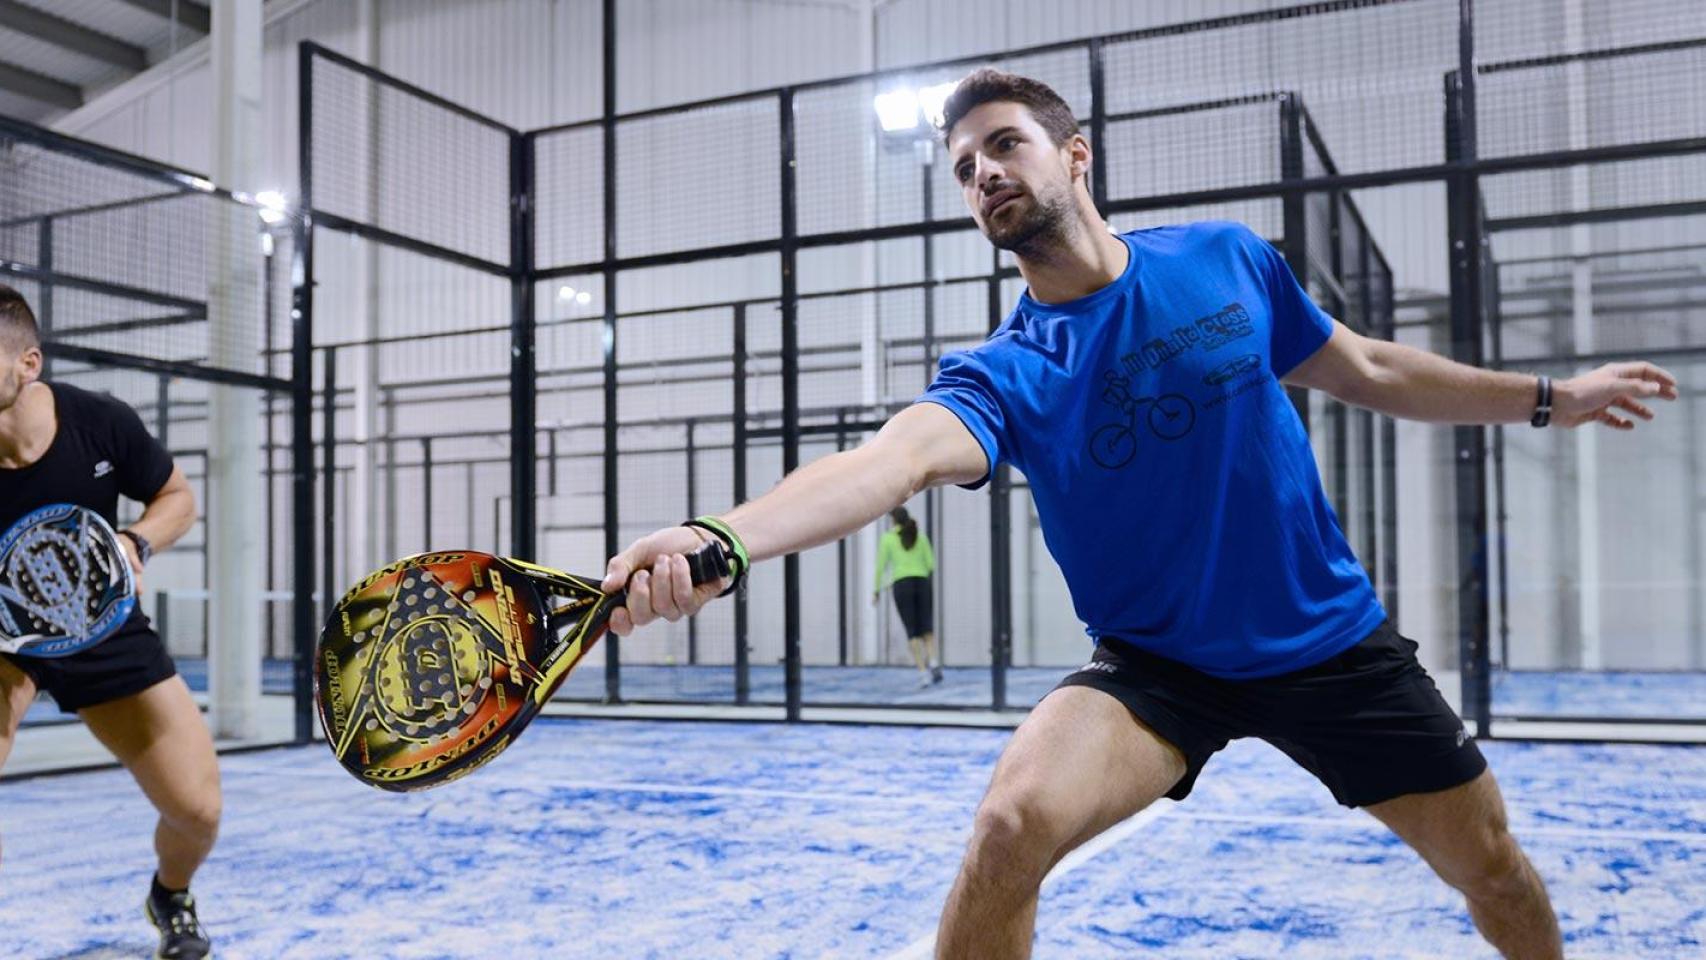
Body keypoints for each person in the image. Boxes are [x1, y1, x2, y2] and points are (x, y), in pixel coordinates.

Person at [600, 70, 1676, 960]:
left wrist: (1549, 397)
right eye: (964, 168)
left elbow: (1368, 367)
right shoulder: (1004, 370)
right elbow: (886, 464)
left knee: (1491, 867)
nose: (982, 174)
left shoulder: (1224, 260)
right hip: (1156, 669)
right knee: (1008, 826)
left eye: (1002, 146)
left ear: (1073, 155)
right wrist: (721, 537)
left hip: (1332, 645)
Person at [0, 285, 214, 960]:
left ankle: (170, 895)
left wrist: (136, 541)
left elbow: (176, 497)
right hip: (3, 636)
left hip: (102, 623)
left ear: (28, 364)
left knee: (197, 811)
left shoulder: (99, 422)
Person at [872, 506, 940, 687]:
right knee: (927, 626)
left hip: (902, 584)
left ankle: (923, 673)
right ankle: (933, 661)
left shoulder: (887, 538)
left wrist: (876, 590)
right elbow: (931, 564)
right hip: (922, 581)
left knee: (912, 630)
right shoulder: (921, 536)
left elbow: (881, 566)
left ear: (893, 520)